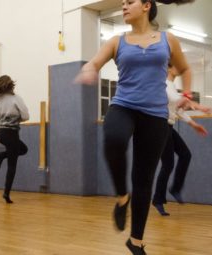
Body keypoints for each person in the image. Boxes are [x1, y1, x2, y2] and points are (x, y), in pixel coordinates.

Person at [75, 0, 195, 254]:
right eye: (122, 3)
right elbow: (94, 62)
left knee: (144, 179)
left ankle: (136, 241)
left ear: (146, 6)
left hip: (155, 115)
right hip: (124, 106)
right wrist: (88, 69)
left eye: (130, 2)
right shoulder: (117, 41)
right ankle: (121, 197)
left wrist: (186, 94)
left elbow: (184, 68)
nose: (124, 6)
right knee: (114, 139)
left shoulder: (167, 39)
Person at [152, 64, 212, 216]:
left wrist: (194, 124)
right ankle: (158, 200)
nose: (181, 69)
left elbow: (178, 109)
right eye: (177, 66)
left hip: (168, 127)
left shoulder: (171, 86)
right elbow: (177, 100)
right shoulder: (165, 84)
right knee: (168, 164)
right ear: (170, 69)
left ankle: (175, 189)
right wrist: (199, 106)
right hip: (160, 127)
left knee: (185, 155)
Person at [0, 75, 29, 204]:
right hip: (11, 133)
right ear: (11, 85)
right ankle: (6, 194)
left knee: (23, 149)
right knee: (12, 164)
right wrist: (15, 118)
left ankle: (2, 155)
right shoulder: (15, 98)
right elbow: (25, 116)